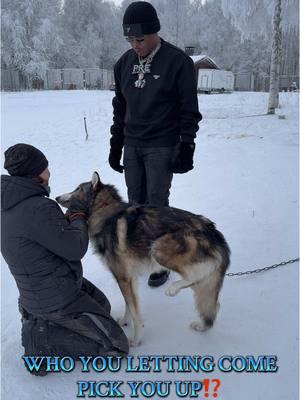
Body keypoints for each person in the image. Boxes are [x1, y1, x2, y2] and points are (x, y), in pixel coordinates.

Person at [1, 143, 129, 376]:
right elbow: (75, 248)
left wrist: (70, 218)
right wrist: (78, 214)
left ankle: (38, 316)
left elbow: (49, 234)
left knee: (103, 307)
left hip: (44, 287)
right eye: (45, 168)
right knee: (116, 346)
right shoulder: (38, 207)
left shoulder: (10, 203)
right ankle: (42, 341)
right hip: (56, 296)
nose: (49, 172)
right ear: (35, 173)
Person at [108, 1, 202, 288]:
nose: (135, 44)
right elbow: (120, 108)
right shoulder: (123, 64)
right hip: (133, 144)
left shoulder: (177, 62)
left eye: (140, 38)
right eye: (130, 39)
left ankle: (160, 259)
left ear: (154, 32)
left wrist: (187, 146)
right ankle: (141, 253)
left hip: (162, 144)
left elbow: (189, 108)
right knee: (135, 202)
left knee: (156, 204)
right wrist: (116, 144)